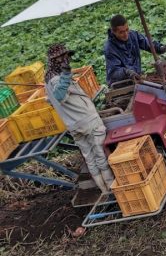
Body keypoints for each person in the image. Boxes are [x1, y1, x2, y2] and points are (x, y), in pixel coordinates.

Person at [45, 43, 114, 193]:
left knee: (89, 157)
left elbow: (51, 100)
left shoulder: (49, 79)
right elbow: (59, 96)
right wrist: (65, 76)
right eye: (63, 57)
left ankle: (104, 190)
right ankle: (111, 188)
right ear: (56, 60)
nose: (67, 60)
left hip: (73, 125)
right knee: (100, 153)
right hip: (86, 120)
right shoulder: (58, 79)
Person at [104, 14, 166, 86]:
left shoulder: (133, 35)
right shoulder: (110, 48)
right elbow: (114, 72)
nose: (126, 34)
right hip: (121, 84)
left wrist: (161, 48)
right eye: (121, 32)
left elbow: (148, 44)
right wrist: (127, 72)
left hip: (136, 78)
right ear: (113, 32)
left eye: (127, 29)